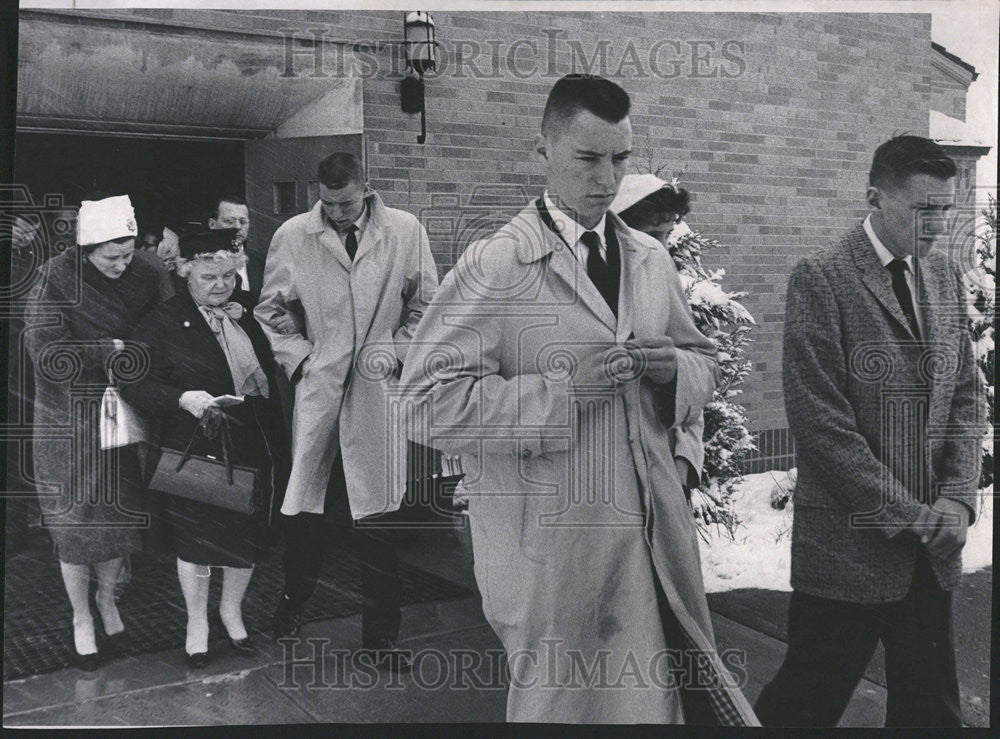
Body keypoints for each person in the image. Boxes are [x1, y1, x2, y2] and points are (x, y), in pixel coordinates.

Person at [400, 74, 756, 724]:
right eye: (587, 158)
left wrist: (671, 374)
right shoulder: (497, 265)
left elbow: (705, 364)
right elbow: (424, 403)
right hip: (554, 561)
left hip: (651, 552)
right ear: (544, 152)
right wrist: (564, 392)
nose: (607, 178)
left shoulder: (649, 258)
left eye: (620, 158)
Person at [753, 135, 986, 727]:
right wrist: (911, 516)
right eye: (923, 209)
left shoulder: (944, 275)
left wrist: (957, 500)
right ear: (875, 198)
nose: (937, 225)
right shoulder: (822, 278)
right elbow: (822, 425)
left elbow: (965, 395)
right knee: (803, 707)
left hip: (930, 557)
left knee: (932, 713)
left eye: (946, 209)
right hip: (847, 554)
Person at [255, 152, 438, 669]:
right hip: (320, 385)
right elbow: (269, 311)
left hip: (376, 389)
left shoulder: (404, 230)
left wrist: (395, 352)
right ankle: (291, 607)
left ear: (366, 188)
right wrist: (302, 360)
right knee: (304, 512)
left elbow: (429, 304)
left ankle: (381, 641)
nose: (336, 212)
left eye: (346, 202)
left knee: (379, 519)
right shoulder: (293, 234)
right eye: (328, 202)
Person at [121, 228, 287, 668]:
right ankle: (197, 622)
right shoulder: (162, 320)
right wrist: (180, 398)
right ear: (184, 272)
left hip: (251, 438)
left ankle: (231, 612)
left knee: (245, 537)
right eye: (209, 277)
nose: (221, 286)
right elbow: (131, 376)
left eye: (229, 276)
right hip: (194, 444)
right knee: (196, 539)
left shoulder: (248, 312)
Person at [23, 194, 161, 670]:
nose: (123, 265)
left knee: (117, 521)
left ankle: (107, 600)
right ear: (85, 250)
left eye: (128, 253)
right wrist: (109, 349)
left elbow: (163, 328)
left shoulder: (145, 272)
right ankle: (81, 616)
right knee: (76, 524)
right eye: (111, 257)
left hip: (123, 416)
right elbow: (45, 353)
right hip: (70, 421)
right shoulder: (55, 280)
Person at [612, 173, 704, 497]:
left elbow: (699, 364)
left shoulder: (663, 277)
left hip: (663, 472)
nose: (662, 248)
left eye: (667, 236)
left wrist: (684, 461)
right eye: (652, 235)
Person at [207, 195, 265, 301]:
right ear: (212, 224)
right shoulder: (198, 264)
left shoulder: (262, 262)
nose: (237, 227)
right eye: (229, 221)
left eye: (243, 222)